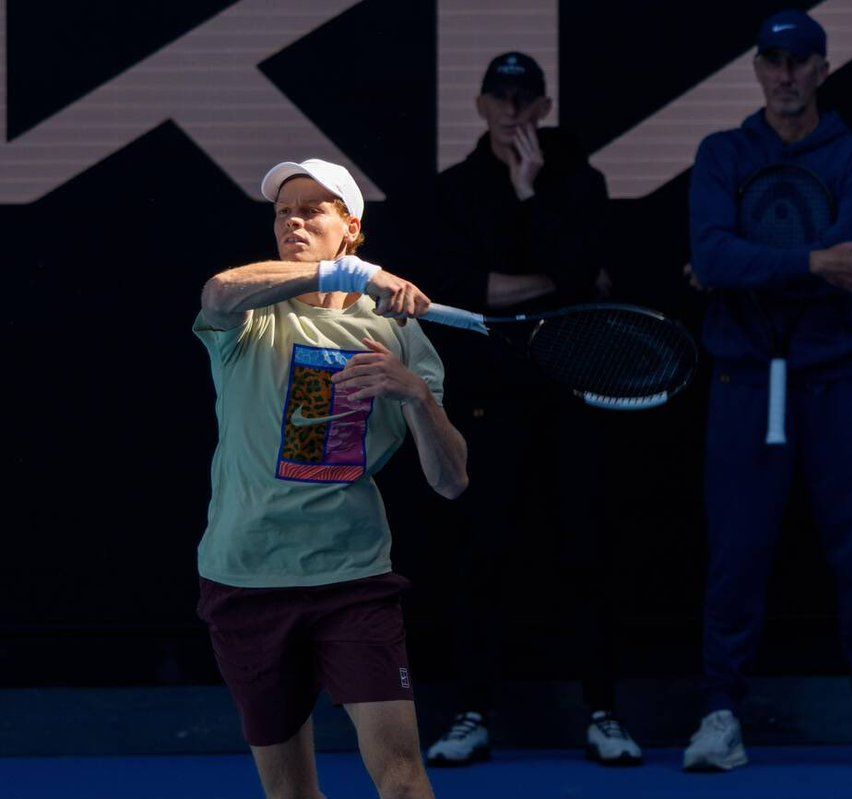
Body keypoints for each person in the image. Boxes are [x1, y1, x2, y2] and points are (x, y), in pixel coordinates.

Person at [682, 10, 852, 772]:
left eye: (799, 62)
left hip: (840, 379)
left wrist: (744, 267)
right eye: (772, 61)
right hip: (745, 376)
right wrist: (808, 265)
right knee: (737, 552)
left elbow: (844, 260)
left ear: (821, 70)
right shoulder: (722, 152)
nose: (785, 74)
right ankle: (719, 713)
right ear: (757, 70)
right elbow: (710, 254)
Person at [194, 157, 469, 799]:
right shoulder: (254, 316)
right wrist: (356, 273)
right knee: (290, 794)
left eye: (312, 210)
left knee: (402, 781)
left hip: (351, 578)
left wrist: (414, 397)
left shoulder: (397, 333)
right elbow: (217, 292)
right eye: (283, 212)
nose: (293, 221)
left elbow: (451, 480)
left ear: (350, 225)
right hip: (246, 577)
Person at [414, 51, 641, 766]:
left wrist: (529, 192)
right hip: (489, 401)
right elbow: (455, 292)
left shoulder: (580, 181)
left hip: (571, 392)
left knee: (587, 551)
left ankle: (603, 710)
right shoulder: (452, 190)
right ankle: (471, 711)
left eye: (525, 99)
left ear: (543, 107)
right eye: (500, 98)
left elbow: (585, 278)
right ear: (480, 105)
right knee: (482, 555)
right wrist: (545, 283)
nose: (513, 111)